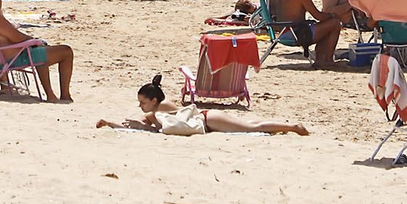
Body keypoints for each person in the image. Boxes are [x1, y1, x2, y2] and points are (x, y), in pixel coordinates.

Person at [96, 74, 307, 135]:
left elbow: (143, 126)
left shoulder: (159, 110)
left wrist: (110, 122)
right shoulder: (160, 107)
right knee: (249, 124)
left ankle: (292, 127)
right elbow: (140, 125)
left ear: (153, 100)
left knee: (250, 127)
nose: (140, 107)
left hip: (208, 119)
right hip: (207, 118)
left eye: (142, 103)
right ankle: (283, 126)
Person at [0, 0, 73, 101]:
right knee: (66, 52)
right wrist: (35, 40)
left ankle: (51, 95)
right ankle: (65, 96)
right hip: (14, 58)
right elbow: (17, 38)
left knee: (41, 51)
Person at [274, 0, 342, 65]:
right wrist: (333, 15)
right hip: (295, 34)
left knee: (324, 25)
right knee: (335, 23)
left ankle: (320, 58)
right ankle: (327, 60)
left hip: (282, 32)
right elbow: (317, 15)